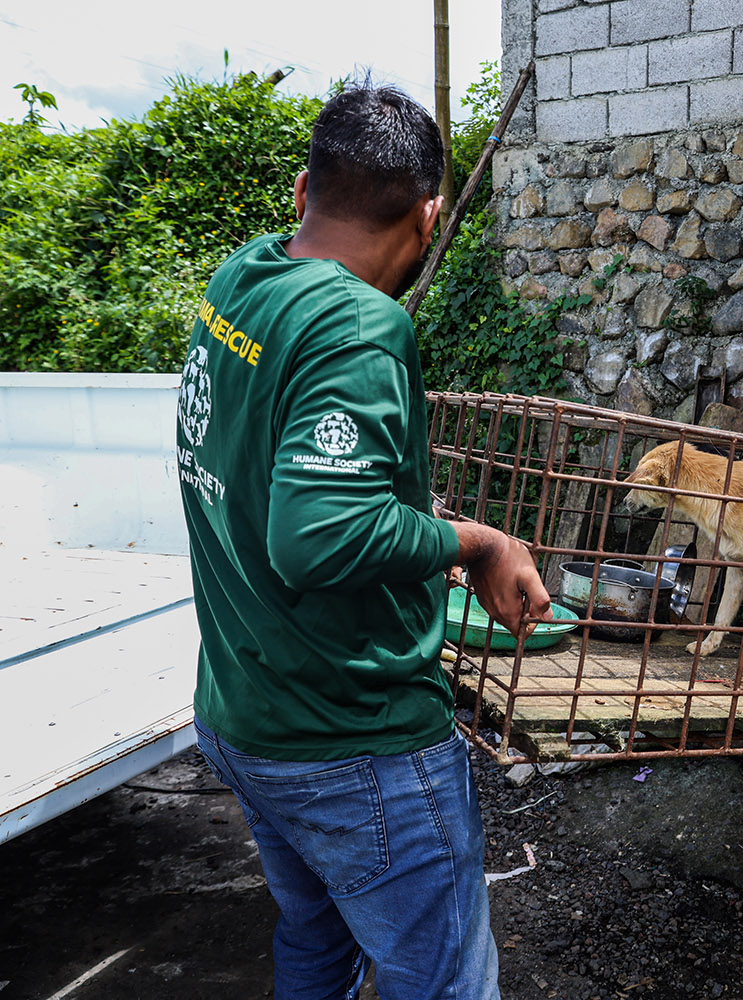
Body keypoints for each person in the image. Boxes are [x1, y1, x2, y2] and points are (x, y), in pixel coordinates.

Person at [176, 83, 551, 1000]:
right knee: (444, 978)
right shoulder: (357, 328)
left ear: (303, 191)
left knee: (317, 937)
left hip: (245, 713)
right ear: (429, 216)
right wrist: (476, 539)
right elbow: (318, 536)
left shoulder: (244, 279)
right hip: (352, 741)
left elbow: (279, 478)